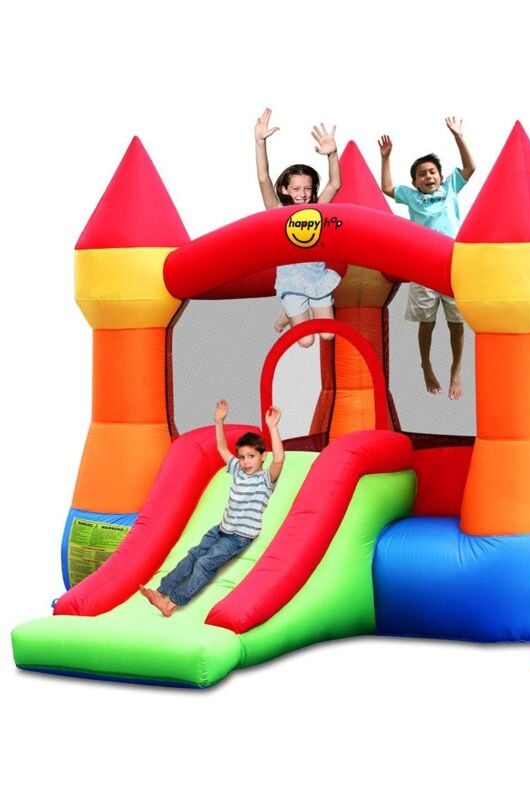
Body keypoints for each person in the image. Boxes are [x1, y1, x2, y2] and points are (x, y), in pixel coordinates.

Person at [139, 399, 284, 617]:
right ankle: (162, 591)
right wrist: (219, 421)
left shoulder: (265, 480)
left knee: (204, 563)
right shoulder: (238, 470)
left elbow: (279, 459)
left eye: (252, 457)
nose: (246, 462)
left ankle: (172, 603)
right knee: (192, 556)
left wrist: (272, 427)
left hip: (238, 537)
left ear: (263, 456)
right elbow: (221, 448)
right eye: (242, 457)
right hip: (221, 529)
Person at [378, 117, 475, 399]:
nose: (428, 177)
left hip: (453, 264)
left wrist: (458, 136)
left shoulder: (450, 187)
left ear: (441, 176)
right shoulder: (411, 196)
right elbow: (387, 188)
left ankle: (456, 370)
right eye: (422, 174)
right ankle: (426, 364)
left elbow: (470, 167)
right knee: (427, 321)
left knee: (456, 321)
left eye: (432, 172)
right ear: (414, 181)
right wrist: (386, 158)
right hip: (424, 266)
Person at [255, 106, 341, 348]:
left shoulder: (317, 210)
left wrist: (332, 154)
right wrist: (260, 142)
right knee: (305, 341)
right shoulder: (277, 212)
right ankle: (288, 314)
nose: (302, 194)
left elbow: (335, 184)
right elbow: (263, 178)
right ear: (284, 189)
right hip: (291, 281)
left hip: (317, 278)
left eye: (307, 189)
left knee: (328, 335)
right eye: (296, 189)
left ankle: (298, 312)